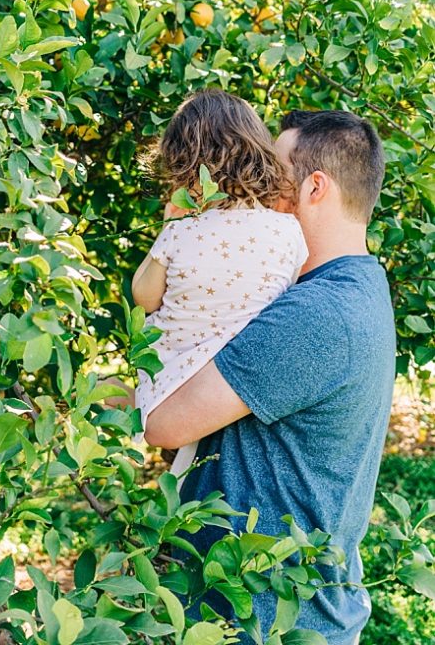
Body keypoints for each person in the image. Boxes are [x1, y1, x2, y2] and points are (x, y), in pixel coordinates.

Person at [145, 109, 397, 642]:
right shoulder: (357, 286)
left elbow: (165, 425)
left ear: (313, 188)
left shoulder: (313, 316)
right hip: (288, 609)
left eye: (270, 170)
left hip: (268, 622)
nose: (253, 184)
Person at [132, 89, 308, 476]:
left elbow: (144, 297)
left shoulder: (182, 229)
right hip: (237, 378)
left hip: (170, 378)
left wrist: (168, 226)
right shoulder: (288, 231)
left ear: (184, 168)